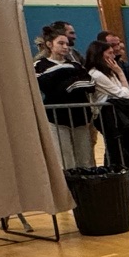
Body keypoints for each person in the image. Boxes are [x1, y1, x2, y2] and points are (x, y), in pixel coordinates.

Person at [84, 37, 129, 206]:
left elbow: (125, 89)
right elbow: (120, 93)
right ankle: (124, 195)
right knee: (121, 157)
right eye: (109, 53)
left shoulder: (110, 72)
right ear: (99, 55)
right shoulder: (95, 74)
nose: (113, 55)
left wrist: (120, 73)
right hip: (108, 116)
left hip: (120, 115)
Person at [34, 27, 96, 169]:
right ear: (50, 44)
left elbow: (90, 83)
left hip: (81, 118)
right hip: (57, 119)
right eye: (61, 43)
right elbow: (49, 88)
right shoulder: (40, 65)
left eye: (67, 44)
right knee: (65, 159)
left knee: (85, 159)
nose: (65, 47)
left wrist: (68, 84)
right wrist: (70, 82)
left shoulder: (75, 64)